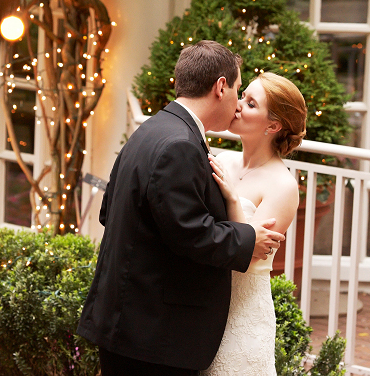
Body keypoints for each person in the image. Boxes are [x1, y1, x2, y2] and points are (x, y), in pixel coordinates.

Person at [77, 41, 285, 375]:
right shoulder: (180, 145)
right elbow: (190, 233)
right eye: (237, 89)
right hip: (152, 337)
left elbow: (108, 212)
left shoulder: (151, 129)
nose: (237, 101)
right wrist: (247, 239)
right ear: (220, 87)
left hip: (128, 326)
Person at [203, 72, 307, 376]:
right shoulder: (224, 160)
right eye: (243, 95)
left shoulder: (282, 185)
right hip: (206, 308)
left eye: (250, 103)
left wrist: (233, 201)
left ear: (273, 126)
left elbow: (247, 258)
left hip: (243, 316)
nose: (237, 106)